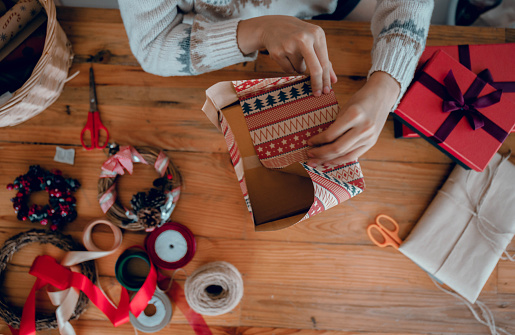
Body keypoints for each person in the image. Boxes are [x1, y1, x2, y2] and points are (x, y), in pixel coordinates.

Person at [119, 0, 433, 167]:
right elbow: (153, 44)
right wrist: (259, 32)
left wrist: (387, 84)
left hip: (333, 13)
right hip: (219, 34)